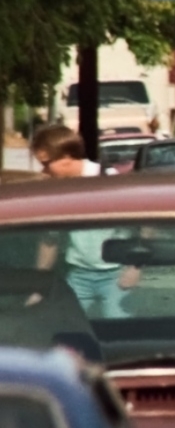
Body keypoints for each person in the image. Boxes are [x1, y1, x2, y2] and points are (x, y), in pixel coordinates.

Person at [27, 125, 140, 317]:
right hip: (78, 274)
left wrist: (135, 267)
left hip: (116, 273)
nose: (44, 171)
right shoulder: (57, 191)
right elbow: (49, 239)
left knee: (119, 325)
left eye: (47, 164)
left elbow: (140, 224)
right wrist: (39, 287)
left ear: (66, 157)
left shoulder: (107, 179)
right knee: (68, 327)